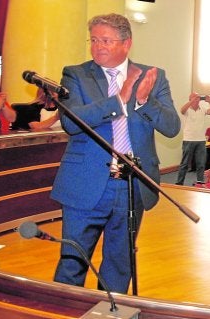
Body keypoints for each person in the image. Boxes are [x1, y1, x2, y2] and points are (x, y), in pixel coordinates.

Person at [51, 13, 181, 294]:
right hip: (85, 183)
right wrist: (119, 100)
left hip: (131, 185)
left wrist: (144, 101)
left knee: (119, 264)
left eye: (106, 40)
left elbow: (172, 127)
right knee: (73, 261)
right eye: (94, 40)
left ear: (127, 43)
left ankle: (109, 312)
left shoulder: (152, 77)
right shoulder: (76, 74)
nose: (98, 46)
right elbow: (71, 122)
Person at [175, 93, 210, 185]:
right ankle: (179, 183)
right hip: (188, 139)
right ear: (190, 99)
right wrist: (191, 101)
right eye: (194, 97)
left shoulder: (203, 109)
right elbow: (182, 110)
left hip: (201, 140)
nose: (197, 99)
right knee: (185, 163)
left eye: (198, 97)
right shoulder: (187, 109)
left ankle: (200, 182)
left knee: (201, 163)